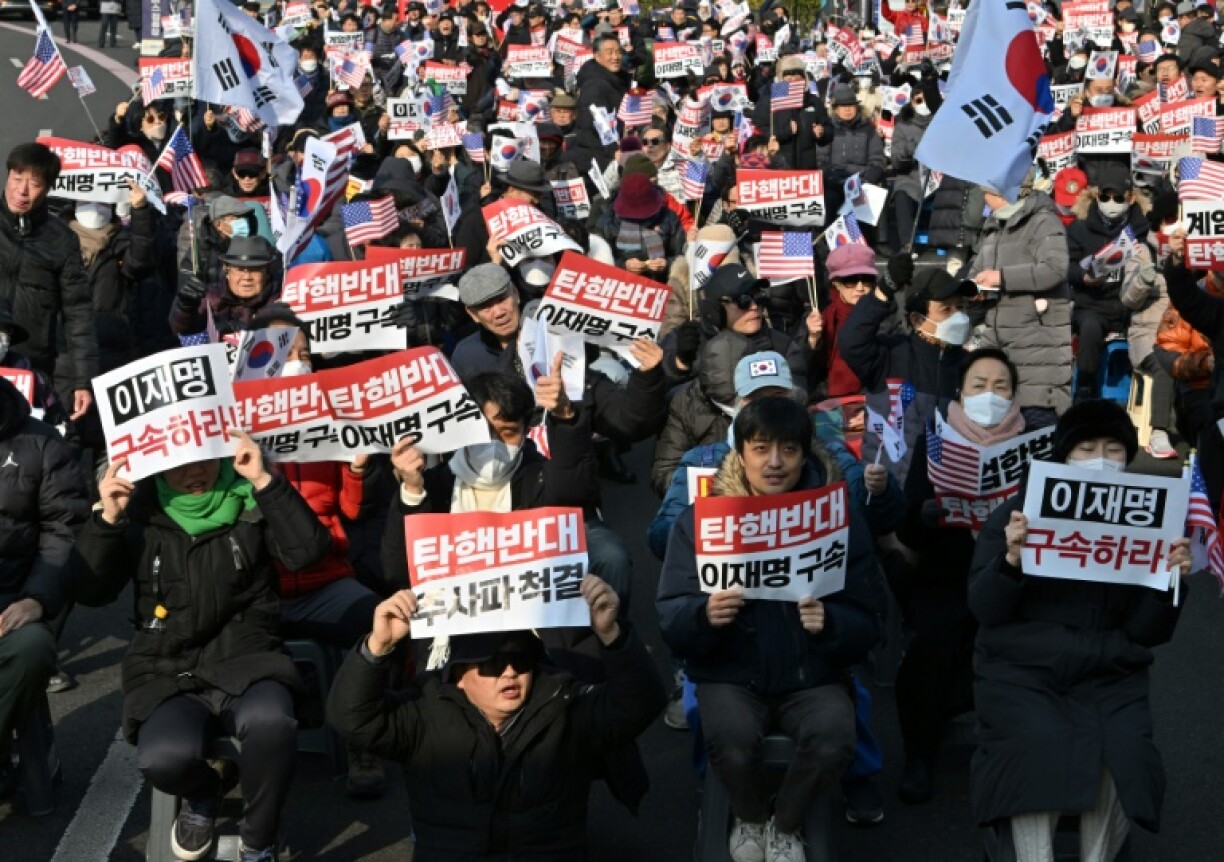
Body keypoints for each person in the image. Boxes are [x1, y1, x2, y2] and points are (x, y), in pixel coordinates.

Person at [72, 432, 332, 862]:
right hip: (167, 669)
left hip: (249, 659)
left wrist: (266, 483)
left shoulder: (250, 500)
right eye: (181, 462)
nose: (195, 471)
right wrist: (106, 522)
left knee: (272, 722)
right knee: (163, 758)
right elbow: (90, 591)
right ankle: (203, 796)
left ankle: (259, 840)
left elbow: (309, 553)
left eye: (205, 460)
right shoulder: (140, 510)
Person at [657, 396, 882, 862]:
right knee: (731, 740)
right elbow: (671, 616)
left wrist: (833, 622)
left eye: (788, 450)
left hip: (812, 676)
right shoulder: (700, 522)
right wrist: (703, 617)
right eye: (761, 449)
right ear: (740, 454)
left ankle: (786, 823)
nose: (775, 462)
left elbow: (870, 618)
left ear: (805, 453)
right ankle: (750, 815)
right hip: (731, 675)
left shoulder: (838, 519)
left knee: (835, 736)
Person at [967, 399, 1191, 862]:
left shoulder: (1146, 520)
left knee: (1125, 753)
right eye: (1086, 447)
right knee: (1036, 745)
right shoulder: (1017, 514)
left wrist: (1167, 583)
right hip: (1021, 668)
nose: (1101, 458)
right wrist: (1010, 560)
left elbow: (1147, 632)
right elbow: (983, 607)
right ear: (1063, 455)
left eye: (1113, 448)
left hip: (1109, 670)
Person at [326, 575, 667, 860]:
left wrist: (613, 635)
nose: (509, 672)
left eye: (520, 660)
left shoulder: (565, 704)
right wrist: (376, 647)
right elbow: (350, 718)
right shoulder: (425, 712)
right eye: (491, 663)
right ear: (459, 673)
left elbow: (641, 704)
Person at [889, 349, 1028, 805]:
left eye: (1001, 386)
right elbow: (906, 526)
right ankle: (919, 752)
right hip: (944, 575)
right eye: (978, 385)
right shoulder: (936, 441)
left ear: (1014, 395)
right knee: (932, 642)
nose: (990, 394)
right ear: (960, 393)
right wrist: (925, 516)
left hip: (1010, 579)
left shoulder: (1034, 446)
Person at [0, 375, 90, 788]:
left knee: (33, 647)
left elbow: (64, 527)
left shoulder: (40, 440)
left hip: (13, 599)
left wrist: (36, 598)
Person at [0, 142, 97, 424]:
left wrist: (83, 380)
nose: (22, 190)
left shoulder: (62, 240)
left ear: (48, 188)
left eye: (34, 183)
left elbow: (78, 312)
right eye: (17, 179)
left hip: (30, 365)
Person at [967, 172, 1073, 427]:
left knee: (1035, 422)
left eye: (987, 192)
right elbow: (977, 271)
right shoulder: (993, 226)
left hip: (1037, 339)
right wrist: (972, 288)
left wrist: (1002, 278)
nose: (983, 197)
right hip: (997, 335)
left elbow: (1056, 269)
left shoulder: (1043, 221)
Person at [1065, 162, 1147, 404]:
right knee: (1089, 327)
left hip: (1132, 305)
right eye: (1105, 196)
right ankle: (1086, 388)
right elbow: (1064, 266)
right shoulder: (1079, 228)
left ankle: (1143, 397)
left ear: (1131, 198)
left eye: (1118, 197)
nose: (1111, 202)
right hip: (1092, 305)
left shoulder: (1142, 228)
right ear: (1095, 195)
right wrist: (1084, 277)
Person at [171, 236, 282, 338]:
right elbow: (182, 330)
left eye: (255, 270)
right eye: (240, 269)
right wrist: (184, 308)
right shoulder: (210, 298)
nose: (247, 277)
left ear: (267, 273)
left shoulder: (280, 299)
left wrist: (248, 327)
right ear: (226, 270)